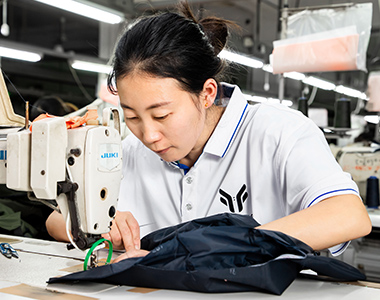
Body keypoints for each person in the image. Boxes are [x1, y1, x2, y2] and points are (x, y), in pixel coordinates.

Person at [46, 1, 371, 262]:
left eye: (161, 114)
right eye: (131, 116)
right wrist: (100, 224)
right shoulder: (131, 151)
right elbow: (56, 221)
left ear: (207, 93)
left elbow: (348, 216)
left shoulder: (278, 133)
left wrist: (223, 244)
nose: (149, 135)